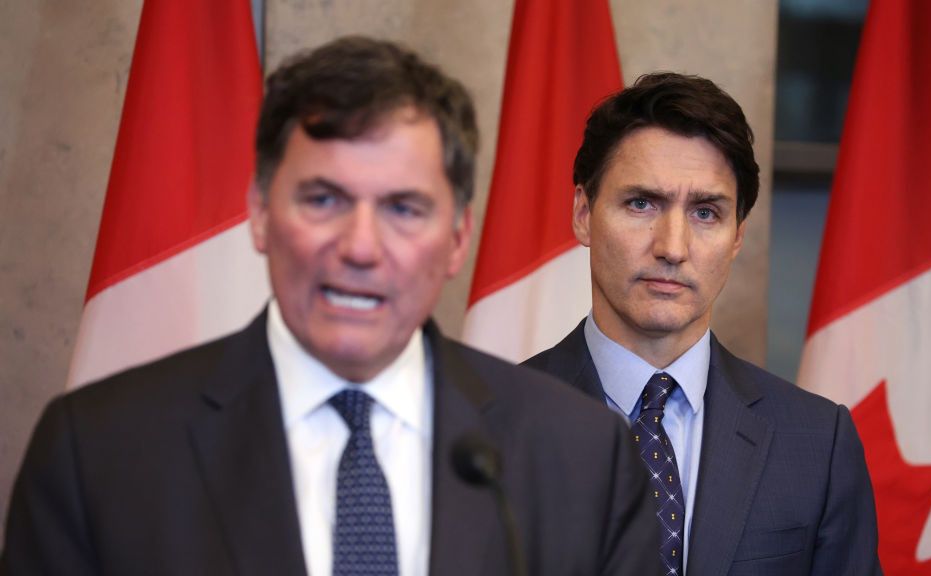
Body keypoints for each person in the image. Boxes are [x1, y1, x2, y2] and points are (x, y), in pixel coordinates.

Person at [1, 36, 658, 576]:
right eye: (323, 199)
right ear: (259, 213)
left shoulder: (581, 457)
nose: (360, 247)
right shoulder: (97, 452)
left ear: (457, 238)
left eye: (404, 208)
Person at [524, 73, 881, 576]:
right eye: (641, 203)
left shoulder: (820, 444)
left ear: (737, 236)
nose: (672, 246)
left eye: (706, 213)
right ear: (583, 213)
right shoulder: (484, 424)